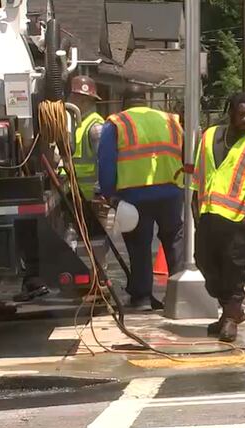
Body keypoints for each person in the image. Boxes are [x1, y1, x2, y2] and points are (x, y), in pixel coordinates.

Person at [192, 93, 245, 342]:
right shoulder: (209, 136)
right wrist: (194, 207)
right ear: (229, 112)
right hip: (208, 215)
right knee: (205, 263)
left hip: (236, 219)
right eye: (240, 114)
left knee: (233, 269)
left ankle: (230, 318)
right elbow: (200, 175)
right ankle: (232, 310)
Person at [98, 84, 185, 310]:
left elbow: (106, 163)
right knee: (174, 241)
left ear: (123, 102)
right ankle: (180, 296)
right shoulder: (170, 120)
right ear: (145, 100)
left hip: (135, 194)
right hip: (171, 190)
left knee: (139, 245)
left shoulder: (117, 123)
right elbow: (186, 154)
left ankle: (143, 297)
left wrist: (110, 195)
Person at [67, 75, 104, 201]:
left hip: (88, 197)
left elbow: (104, 161)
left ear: (85, 100)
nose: (70, 100)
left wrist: (100, 192)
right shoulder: (75, 122)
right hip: (73, 194)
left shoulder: (95, 126)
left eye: (73, 97)